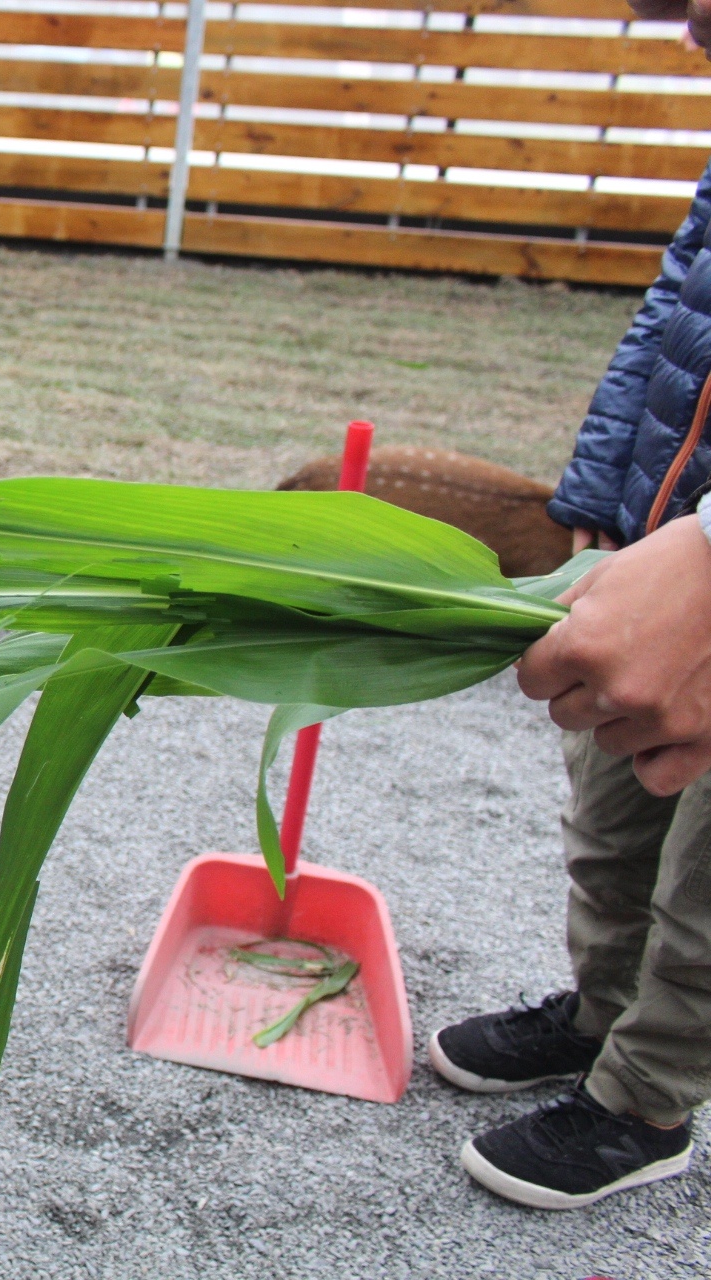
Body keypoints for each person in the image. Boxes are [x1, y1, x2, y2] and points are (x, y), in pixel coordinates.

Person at [426, 152, 711, 1209]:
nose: (679, 32)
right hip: (654, 527)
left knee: (705, 878)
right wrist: (606, 484)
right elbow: (680, 306)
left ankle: (646, 1098)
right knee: (612, 816)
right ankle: (599, 1016)